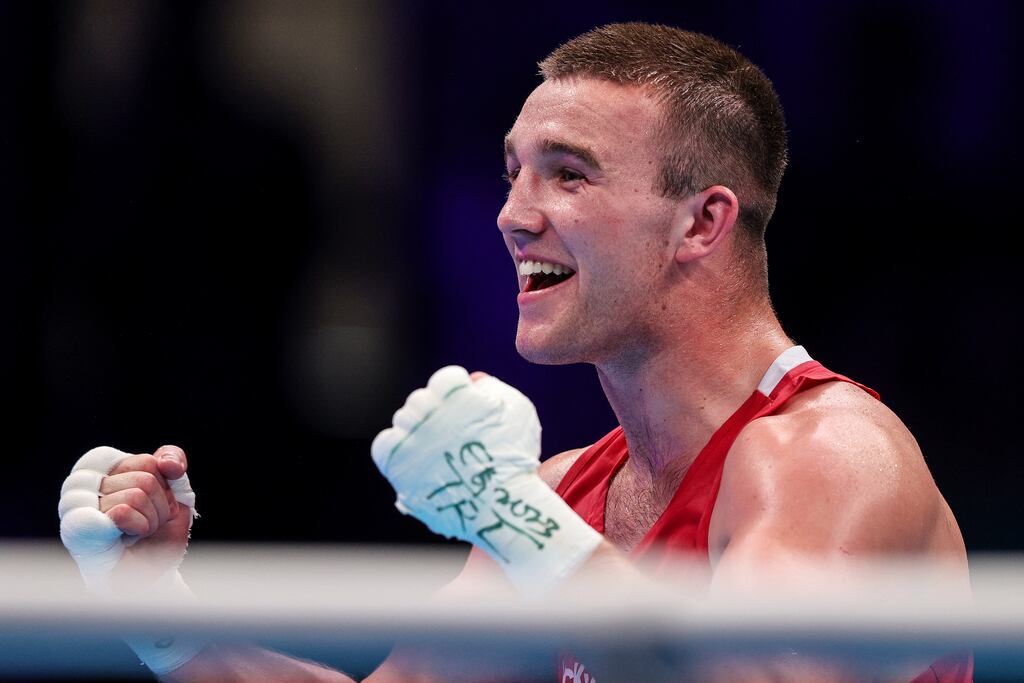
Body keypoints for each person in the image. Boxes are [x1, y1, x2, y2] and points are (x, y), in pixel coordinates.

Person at [58, 22, 971, 682]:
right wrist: (159, 610)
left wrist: (522, 526)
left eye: (568, 173)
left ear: (702, 222)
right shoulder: (563, 496)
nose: (512, 215)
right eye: (513, 172)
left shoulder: (830, 454)